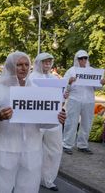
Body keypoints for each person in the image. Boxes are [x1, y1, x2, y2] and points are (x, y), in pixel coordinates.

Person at [0, 51, 66, 193]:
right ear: (9, 66)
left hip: (31, 151)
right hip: (4, 149)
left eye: (26, 64)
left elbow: (42, 123)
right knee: (1, 188)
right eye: (19, 64)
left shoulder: (36, 90)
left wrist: (56, 119)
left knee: (29, 189)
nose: (23, 68)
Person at [25, 53, 63, 191]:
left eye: (49, 62)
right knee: (32, 149)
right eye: (44, 62)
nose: (47, 65)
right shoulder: (30, 78)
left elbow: (58, 98)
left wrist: (62, 95)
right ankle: (28, 177)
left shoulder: (54, 78)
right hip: (36, 120)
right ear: (38, 63)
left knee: (55, 149)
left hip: (53, 118)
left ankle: (47, 179)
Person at [63, 50, 105, 154]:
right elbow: (64, 87)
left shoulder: (92, 71)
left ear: (87, 59)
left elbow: (96, 88)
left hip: (89, 100)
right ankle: (67, 144)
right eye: (80, 58)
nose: (83, 60)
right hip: (74, 99)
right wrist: (69, 82)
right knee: (71, 122)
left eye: (85, 58)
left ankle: (82, 145)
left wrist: (101, 83)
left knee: (87, 123)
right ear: (77, 59)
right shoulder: (71, 71)